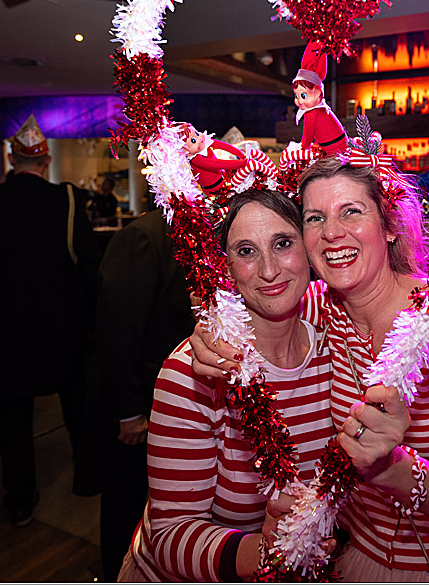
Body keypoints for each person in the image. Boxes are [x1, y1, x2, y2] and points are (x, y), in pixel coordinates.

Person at [194, 154, 429, 581]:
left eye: (351, 212)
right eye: (314, 218)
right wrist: (209, 333)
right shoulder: (323, 311)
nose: (332, 233)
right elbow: (259, 300)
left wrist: (390, 467)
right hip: (356, 561)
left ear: (392, 224)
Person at [118, 189, 336, 581]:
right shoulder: (191, 374)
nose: (269, 270)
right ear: (226, 269)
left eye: (283, 243)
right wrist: (271, 552)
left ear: (308, 249)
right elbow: (171, 535)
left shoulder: (336, 344)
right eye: (246, 252)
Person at [0, 114, 101, 527]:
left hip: (6, 325)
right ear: (45, 160)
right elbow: (88, 264)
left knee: (13, 414)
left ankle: (19, 497)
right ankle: (87, 470)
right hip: (62, 323)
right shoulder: (67, 199)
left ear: (11, 159)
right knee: (75, 400)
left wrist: (1, 290)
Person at [72, 207, 196, 580]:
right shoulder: (144, 236)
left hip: (179, 406)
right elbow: (118, 330)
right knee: (126, 505)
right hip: (142, 404)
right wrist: (129, 410)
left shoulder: (199, 233)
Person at [291, 42, 348, 155]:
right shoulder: (320, 110)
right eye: (296, 96)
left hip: (333, 148)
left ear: (317, 93)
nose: (299, 100)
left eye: (303, 96)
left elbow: (308, 133)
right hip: (338, 144)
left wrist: (303, 148)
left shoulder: (312, 112)